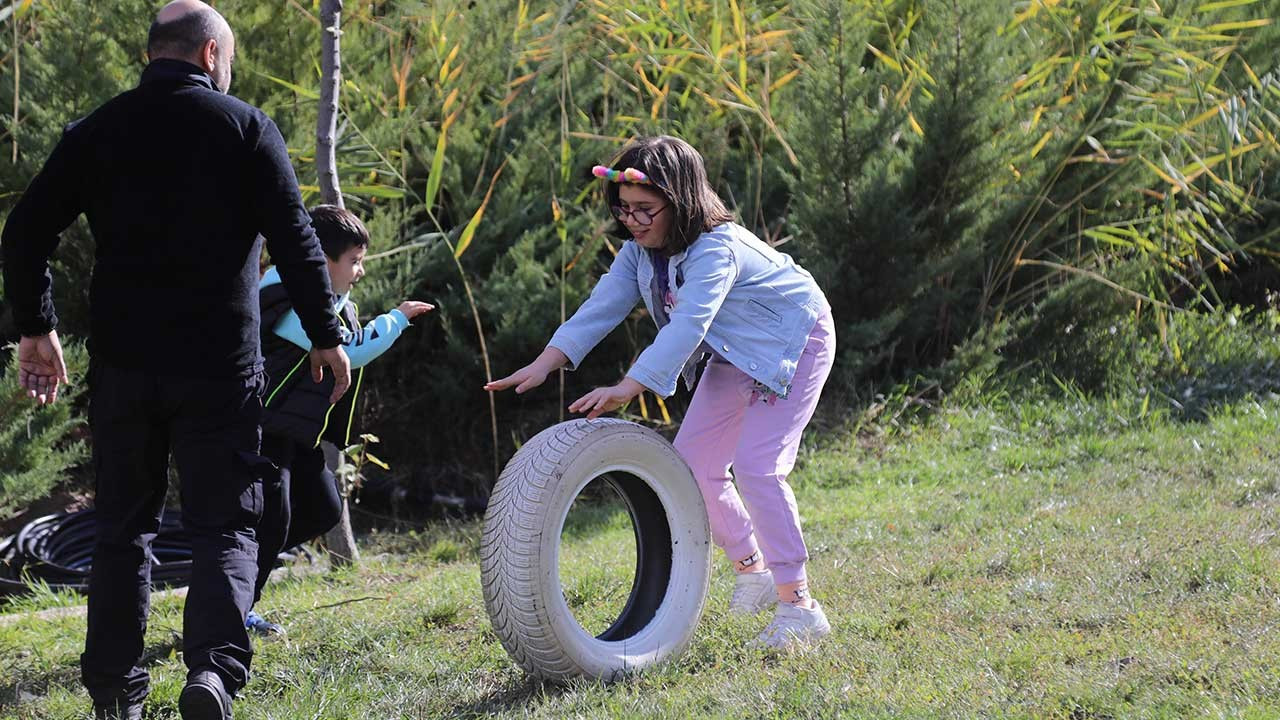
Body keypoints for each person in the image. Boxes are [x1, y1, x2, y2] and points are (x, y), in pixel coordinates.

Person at [0, 2, 351, 718]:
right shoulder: (246, 127)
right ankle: (213, 677)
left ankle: (116, 695)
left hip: (126, 366)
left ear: (153, 55)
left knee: (122, 529)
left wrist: (37, 326)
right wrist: (326, 334)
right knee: (225, 523)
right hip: (221, 366)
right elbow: (296, 241)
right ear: (212, 55)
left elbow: (25, 227)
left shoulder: (98, 129)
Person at [485, 135, 837, 649]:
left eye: (646, 210)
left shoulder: (718, 247)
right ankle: (752, 570)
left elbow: (688, 325)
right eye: (624, 209)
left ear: (683, 201)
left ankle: (800, 606)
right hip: (737, 354)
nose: (634, 220)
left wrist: (630, 386)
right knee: (692, 464)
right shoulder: (637, 254)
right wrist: (545, 363)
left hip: (794, 340)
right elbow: (600, 307)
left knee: (759, 467)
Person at [247, 205, 432, 635]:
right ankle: (232, 610)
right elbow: (349, 349)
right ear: (318, 261)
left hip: (298, 430)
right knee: (272, 523)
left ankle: (237, 566)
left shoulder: (328, 300)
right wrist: (397, 318)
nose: (360, 271)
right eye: (354, 261)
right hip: (264, 427)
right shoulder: (281, 296)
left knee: (322, 511)